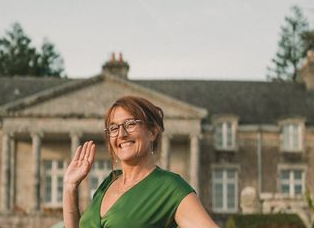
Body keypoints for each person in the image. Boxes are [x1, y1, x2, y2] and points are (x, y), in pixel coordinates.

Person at [63, 95, 218, 228]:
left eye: (130, 124)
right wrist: (70, 187)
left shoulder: (170, 187)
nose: (121, 134)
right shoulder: (107, 183)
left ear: (152, 132)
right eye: (114, 128)